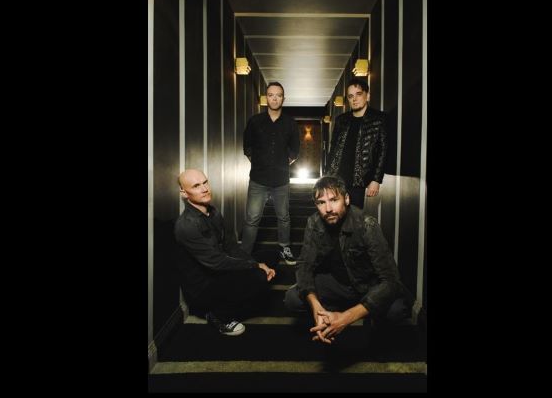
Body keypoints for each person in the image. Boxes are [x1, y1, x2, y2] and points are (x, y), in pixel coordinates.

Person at [284, 176, 413, 345]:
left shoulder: (366, 224)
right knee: (293, 298)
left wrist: (346, 318)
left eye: (334, 200)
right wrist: (316, 308)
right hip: (337, 283)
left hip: (367, 286)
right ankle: (326, 316)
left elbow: (391, 280)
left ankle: (360, 314)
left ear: (346, 199)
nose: (328, 209)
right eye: (321, 203)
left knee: (397, 310)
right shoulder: (314, 223)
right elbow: (304, 266)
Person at [174, 169, 276, 336]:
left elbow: (231, 247)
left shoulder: (213, 212)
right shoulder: (187, 225)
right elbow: (216, 262)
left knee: (272, 255)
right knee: (257, 275)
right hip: (202, 287)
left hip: (219, 271)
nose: (205, 189)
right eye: (196, 186)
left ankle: (239, 296)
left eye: (205, 182)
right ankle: (218, 316)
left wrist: (256, 263)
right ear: (184, 193)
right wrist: (255, 266)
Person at [242, 81, 300, 265]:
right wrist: (260, 163)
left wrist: (282, 163)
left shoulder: (290, 123)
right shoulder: (255, 121)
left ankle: (284, 248)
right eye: (271, 95)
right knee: (252, 218)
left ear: (283, 98)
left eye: (278, 95)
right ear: (266, 98)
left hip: (281, 181)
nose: (275, 98)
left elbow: (295, 150)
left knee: (283, 217)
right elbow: (247, 147)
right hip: (258, 179)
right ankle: (245, 253)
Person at [326, 78, 387, 209]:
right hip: (336, 178)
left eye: (358, 94)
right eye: (350, 96)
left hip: (359, 180)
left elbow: (383, 151)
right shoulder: (341, 120)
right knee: (334, 213)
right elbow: (333, 150)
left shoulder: (379, 119)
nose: (354, 99)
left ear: (367, 96)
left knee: (355, 216)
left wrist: (376, 180)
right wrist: (327, 176)